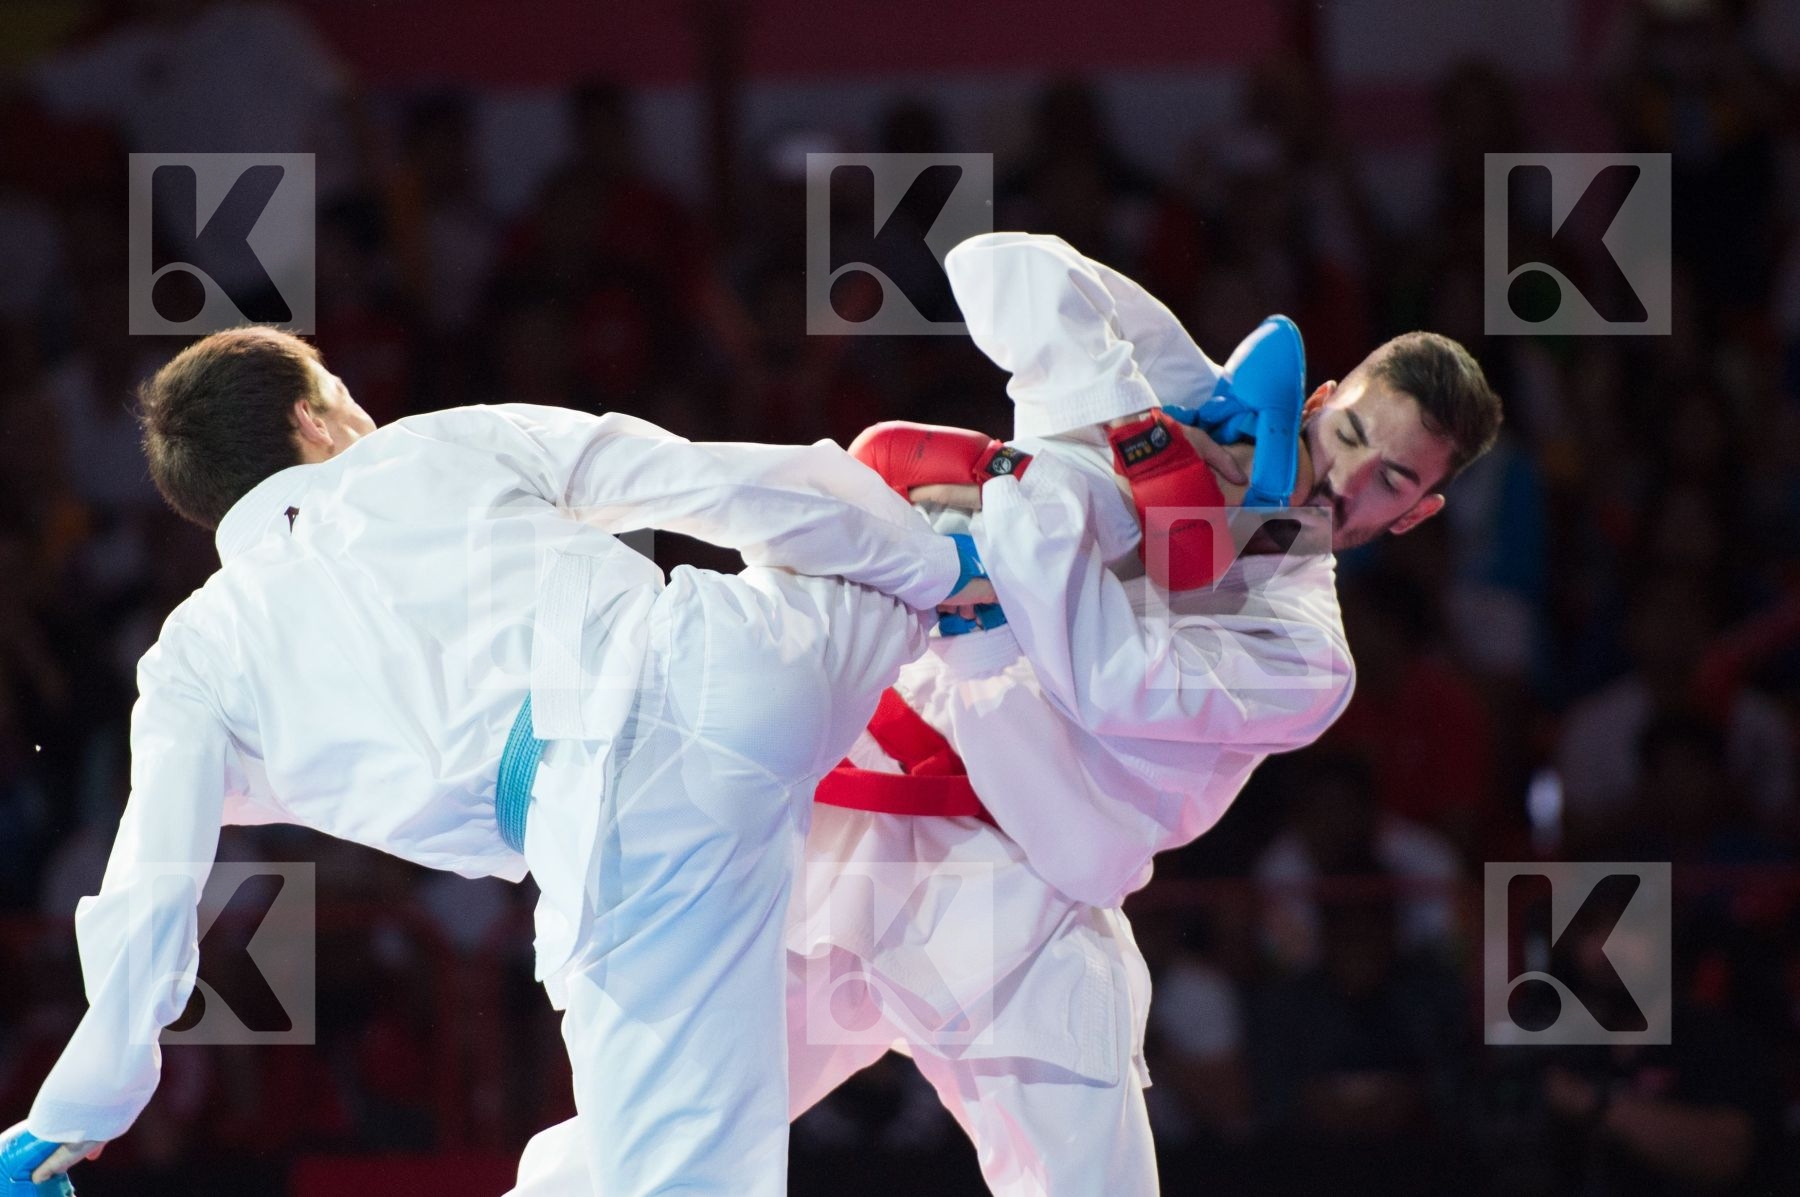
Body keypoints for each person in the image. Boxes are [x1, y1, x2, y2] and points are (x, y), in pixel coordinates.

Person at [511, 232, 1503, 1195]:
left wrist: (1052, 481)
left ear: (1416, 516)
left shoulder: (1305, 651)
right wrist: (1150, 412)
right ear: (1322, 402)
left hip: (1017, 901)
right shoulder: (1182, 400)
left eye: (1394, 483)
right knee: (660, 1131)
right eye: (1354, 434)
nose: (1350, 481)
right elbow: (996, 265)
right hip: (849, 828)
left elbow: (1109, 678)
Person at [0, 326, 998, 1196]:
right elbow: (702, 479)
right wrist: (924, 567)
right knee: (890, 552)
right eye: (350, 404)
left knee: (675, 1176)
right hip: (730, 663)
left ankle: (967, 567)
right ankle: (1006, 542)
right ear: (314, 415)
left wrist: (81, 1101)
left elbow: (154, 887)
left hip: (615, 826)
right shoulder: (444, 439)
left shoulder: (195, 658)